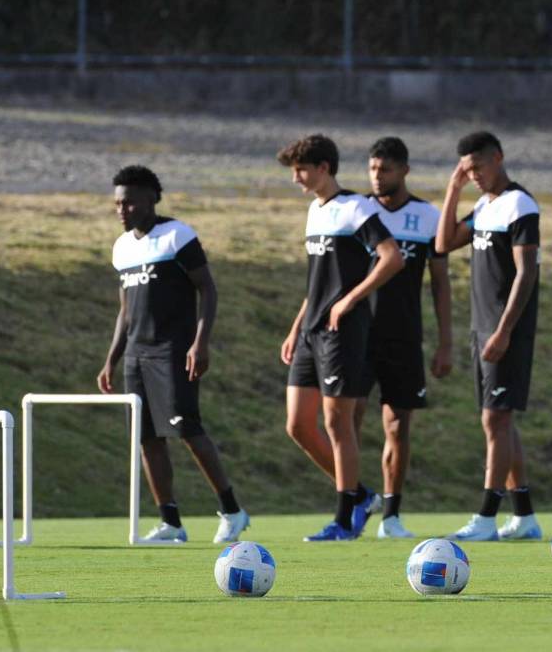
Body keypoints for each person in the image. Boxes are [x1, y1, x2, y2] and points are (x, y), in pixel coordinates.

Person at [97, 165, 249, 544]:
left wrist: (201, 342)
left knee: (187, 431)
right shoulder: (122, 247)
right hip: (136, 356)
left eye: (129, 202)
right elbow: (126, 311)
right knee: (147, 439)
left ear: (152, 199)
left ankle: (233, 511)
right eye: (117, 203)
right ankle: (171, 523)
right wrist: (112, 359)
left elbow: (207, 289)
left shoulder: (177, 236)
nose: (122, 210)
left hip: (173, 352)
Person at [278, 134, 404, 541]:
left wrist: (350, 300)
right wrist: (296, 327)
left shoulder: (355, 207)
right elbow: (318, 281)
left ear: (324, 168)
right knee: (298, 425)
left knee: (337, 422)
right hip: (310, 331)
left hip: (342, 332)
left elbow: (392, 257)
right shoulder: (315, 211)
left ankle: (344, 518)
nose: (296, 177)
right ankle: (361, 495)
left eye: (301, 169)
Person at [436, 131, 543, 541]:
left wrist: (503, 331)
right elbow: (444, 242)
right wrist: (453, 189)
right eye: (467, 170)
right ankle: (524, 517)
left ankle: (486, 517)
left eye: (477, 167)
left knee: (494, 419)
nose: (474, 175)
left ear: (497, 158)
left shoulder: (520, 204)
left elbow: (526, 273)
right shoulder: (484, 206)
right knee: (500, 419)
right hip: (481, 328)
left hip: (505, 330)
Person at [363, 136, 453, 539]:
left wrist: (445, 342)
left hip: (403, 336)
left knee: (397, 427)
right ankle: (349, 506)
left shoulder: (427, 215)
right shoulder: (358, 210)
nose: (377, 176)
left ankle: (391, 515)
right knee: (345, 421)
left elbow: (440, 283)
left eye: (385, 169)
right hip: (356, 336)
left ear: (404, 171)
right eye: (372, 168)